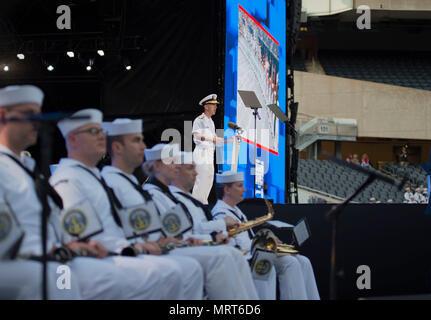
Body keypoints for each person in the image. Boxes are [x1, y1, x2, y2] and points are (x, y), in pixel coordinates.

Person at [0, 85, 142, 300]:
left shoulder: (27, 167)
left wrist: (69, 245)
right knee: (62, 278)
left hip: (47, 254)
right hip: (15, 259)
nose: (37, 122)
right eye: (29, 114)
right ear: (3, 116)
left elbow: (53, 220)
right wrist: (55, 250)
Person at [50, 109, 200, 300]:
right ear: (72, 140)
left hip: (119, 249)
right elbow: (85, 236)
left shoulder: (93, 176)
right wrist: (135, 247)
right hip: (96, 256)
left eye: (100, 132)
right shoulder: (69, 178)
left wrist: (153, 242)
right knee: (166, 271)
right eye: (93, 132)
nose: (101, 137)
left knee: (183, 269)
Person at [140, 142, 259, 299]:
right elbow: (174, 235)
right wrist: (210, 237)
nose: (176, 166)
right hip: (166, 250)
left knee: (233, 255)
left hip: (183, 244)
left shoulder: (167, 196)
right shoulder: (152, 194)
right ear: (157, 165)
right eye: (172, 162)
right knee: (223, 256)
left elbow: (183, 232)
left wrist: (207, 239)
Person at [169, 151, 272, 299]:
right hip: (188, 249)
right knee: (240, 257)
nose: (196, 173)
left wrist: (216, 236)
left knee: (292, 262)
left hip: (208, 246)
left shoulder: (191, 200)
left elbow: (199, 228)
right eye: (190, 168)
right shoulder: (173, 198)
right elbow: (190, 230)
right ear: (176, 171)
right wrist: (221, 226)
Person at [212, 171, 320, 300]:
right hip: (243, 256)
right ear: (227, 189)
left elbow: (249, 238)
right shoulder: (220, 213)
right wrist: (264, 243)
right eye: (239, 186)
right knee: (289, 263)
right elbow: (231, 243)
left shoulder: (236, 210)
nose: (244, 189)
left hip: (252, 252)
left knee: (303, 261)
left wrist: (269, 240)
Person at [191, 94, 224, 204]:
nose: (215, 107)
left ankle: (203, 204)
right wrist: (212, 139)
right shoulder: (199, 120)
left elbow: (214, 139)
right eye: (213, 105)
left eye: (216, 105)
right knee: (201, 180)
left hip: (209, 154)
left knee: (209, 180)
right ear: (206, 106)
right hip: (201, 153)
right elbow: (196, 136)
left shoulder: (211, 122)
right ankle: (197, 206)